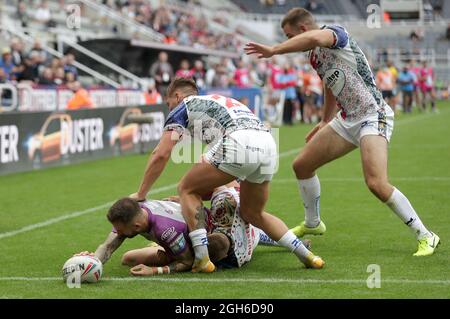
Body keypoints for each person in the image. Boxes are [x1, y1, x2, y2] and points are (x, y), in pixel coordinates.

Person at [244, 7, 439, 256]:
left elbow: (315, 38)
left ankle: (426, 235)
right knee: (302, 165)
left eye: (288, 35)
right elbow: (329, 85)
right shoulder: (315, 56)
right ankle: (313, 224)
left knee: (376, 183)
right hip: (346, 119)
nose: (287, 41)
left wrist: (274, 50)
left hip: (372, 114)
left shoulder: (334, 33)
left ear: (302, 29)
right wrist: (325, 120)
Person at [129, 77, 324, 272]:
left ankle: (202, 259)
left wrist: (141, 193)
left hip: (238, 140)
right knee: (253, 213)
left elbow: (160, 154)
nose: (169, 108)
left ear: (177, 96)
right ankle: (307, 256)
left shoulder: (182, 108)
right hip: (268, 142)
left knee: (185, 189)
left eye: (168, 103)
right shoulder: (215, 102)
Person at [76, 184, 311, 276]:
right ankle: (273, 238)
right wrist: (95, 260)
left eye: (121, 230)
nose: (117, 233)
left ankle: (268, 238)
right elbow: (112, 241)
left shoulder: (167, 230)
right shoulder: (136, 211)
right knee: (128, 257)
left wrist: (156, 271)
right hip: (179, 231)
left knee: (235, 242)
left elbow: (189, 263)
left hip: (200, 238)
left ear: (136, 226)